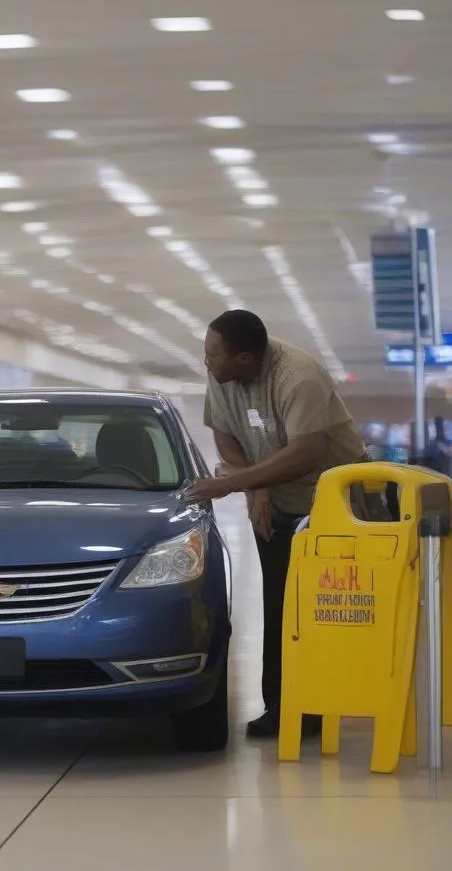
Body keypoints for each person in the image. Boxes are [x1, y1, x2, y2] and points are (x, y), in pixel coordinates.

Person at [185, 310, 368, 739]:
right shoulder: (223, 375)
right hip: (277, 504)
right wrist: (256, 488)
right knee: (280, 606)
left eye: (213, 353)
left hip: (334, 502)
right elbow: (226, 435)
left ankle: (333, 699)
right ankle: (285, 709)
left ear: (245, 358)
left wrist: (233, 483)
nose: (206, 360)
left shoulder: (298, 377)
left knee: (327, 607)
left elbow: (306, 451)